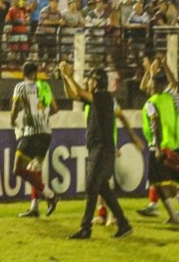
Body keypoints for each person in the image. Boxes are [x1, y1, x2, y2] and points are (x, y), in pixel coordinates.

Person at [60, 64, 134, 239]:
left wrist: (69, 75)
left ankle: (85, 228)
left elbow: (78, 92)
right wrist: (64, 76)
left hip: (102, 149)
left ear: (97, 82)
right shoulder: (97, 98)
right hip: (100, 148)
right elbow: (71, 94)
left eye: (90, 79)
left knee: (92, 185)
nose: (88, 81)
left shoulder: (103, 97)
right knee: (102, 188)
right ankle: (124, 224)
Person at [141, 72, 179, 224]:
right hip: (173, 143)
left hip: (158, 146)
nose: (148, 86)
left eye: (151, 83)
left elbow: (155, 124)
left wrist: (157, 147)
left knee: (161, 182)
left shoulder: (151, 103)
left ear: (158, 85)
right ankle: (177, 214)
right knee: (163, 182)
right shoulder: (171, 99)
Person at [10, 62, 59, 218]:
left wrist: (13, 122)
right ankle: (35, 207)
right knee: (34, 169)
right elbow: (56, 109)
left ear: (23, 73)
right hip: (46, 133)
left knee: (18, 168)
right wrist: (42, 116)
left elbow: (14, 108)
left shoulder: (20, 87)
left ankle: (51, 195)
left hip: (32, 134)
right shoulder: (44, 87)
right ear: (35, 73)